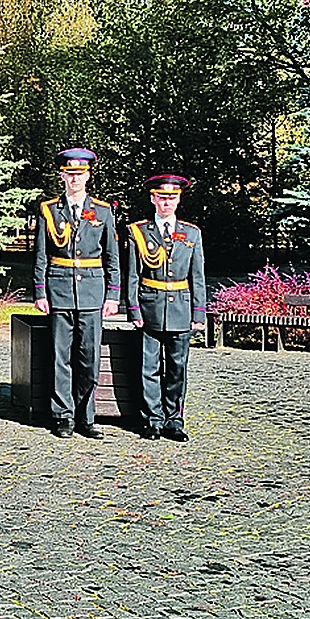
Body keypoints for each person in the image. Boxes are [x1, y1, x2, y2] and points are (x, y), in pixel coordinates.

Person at [33, 148, 120, 438]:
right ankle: (62, 416)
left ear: (88, 176)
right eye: (70, 174)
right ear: (62, 176)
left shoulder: (103, 211)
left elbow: (112, 256)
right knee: (60, 356)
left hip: (93, 292)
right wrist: (40, 292)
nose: (75, 180)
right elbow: (41, 256)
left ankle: (87, 416)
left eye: (80, 174)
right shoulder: (49, 210)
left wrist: (112, 295)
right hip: (59, 290)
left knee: (89, 357)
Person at [125, 174, 206, 442]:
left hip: (181, 309)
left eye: (172, 198)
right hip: (150, 308)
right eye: (161, 197)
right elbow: (133, 275)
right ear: (152, 198)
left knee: (176, 368)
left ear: (179, 199)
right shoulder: (139, 232)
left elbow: (198, 277)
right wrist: (134, 309)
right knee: (148, 367)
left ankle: (174, 420)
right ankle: (153, 420)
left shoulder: (192, 233)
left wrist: (199, 313)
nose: (166, 203)